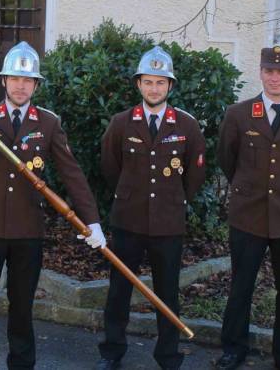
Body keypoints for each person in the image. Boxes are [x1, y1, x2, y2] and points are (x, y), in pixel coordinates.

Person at [0, 41, 105, 369]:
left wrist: (92, 220)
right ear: (3, 81)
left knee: (22, 305)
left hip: (27, 228)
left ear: (36, 84)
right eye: (14, 79)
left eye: (28, 80)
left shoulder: (48, 123)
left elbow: (72, 173)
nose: (21, 86)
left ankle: (21, 364)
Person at [95, 46, 206, 370]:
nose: (154, 88)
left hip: (168, 224)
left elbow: (195, 173)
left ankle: (168, 356)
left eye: (160, 82)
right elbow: (109, 168)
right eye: (148, 82)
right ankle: (111, 353)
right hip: (128, 221)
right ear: (138, 85)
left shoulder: (186, 126)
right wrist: (132, 195)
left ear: (170, 86)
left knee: (167, 293)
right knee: (118, 292)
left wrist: (174, 200)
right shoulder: (121, 123)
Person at [214, 45, 280, 370]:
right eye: (269, 71)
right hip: (248, 215)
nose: (275, 77)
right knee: (241, 286)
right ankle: (234, 349)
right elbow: (227, 159)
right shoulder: (239, 114)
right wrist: (249, 188)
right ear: (260, 72)